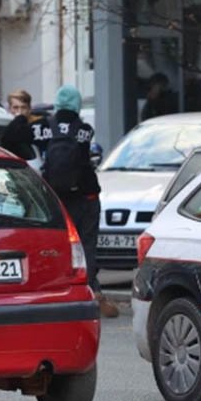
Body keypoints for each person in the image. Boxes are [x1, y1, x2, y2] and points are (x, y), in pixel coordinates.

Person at [34, 85, 119, 319]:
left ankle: (58, 292)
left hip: (56, 198)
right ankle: (92, 294)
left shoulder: (42, 128)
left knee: (57, 245)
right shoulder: (84, 130)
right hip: (85, 198)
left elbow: (16, 140)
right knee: (87, 245)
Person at [0, 89, 38, 161]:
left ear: (29, 109)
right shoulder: (4, 128)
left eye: (23, 107)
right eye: (15, 107)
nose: (19, 112)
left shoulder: (35, 126)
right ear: (9, 109)